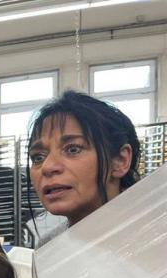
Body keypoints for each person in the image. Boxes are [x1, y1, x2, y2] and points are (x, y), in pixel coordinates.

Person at [27, 90, 141, 245]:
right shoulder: (49, 248)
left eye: (73, 149)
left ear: (120, 160)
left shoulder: (155, 240)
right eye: (38, 157)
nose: (47, 167)